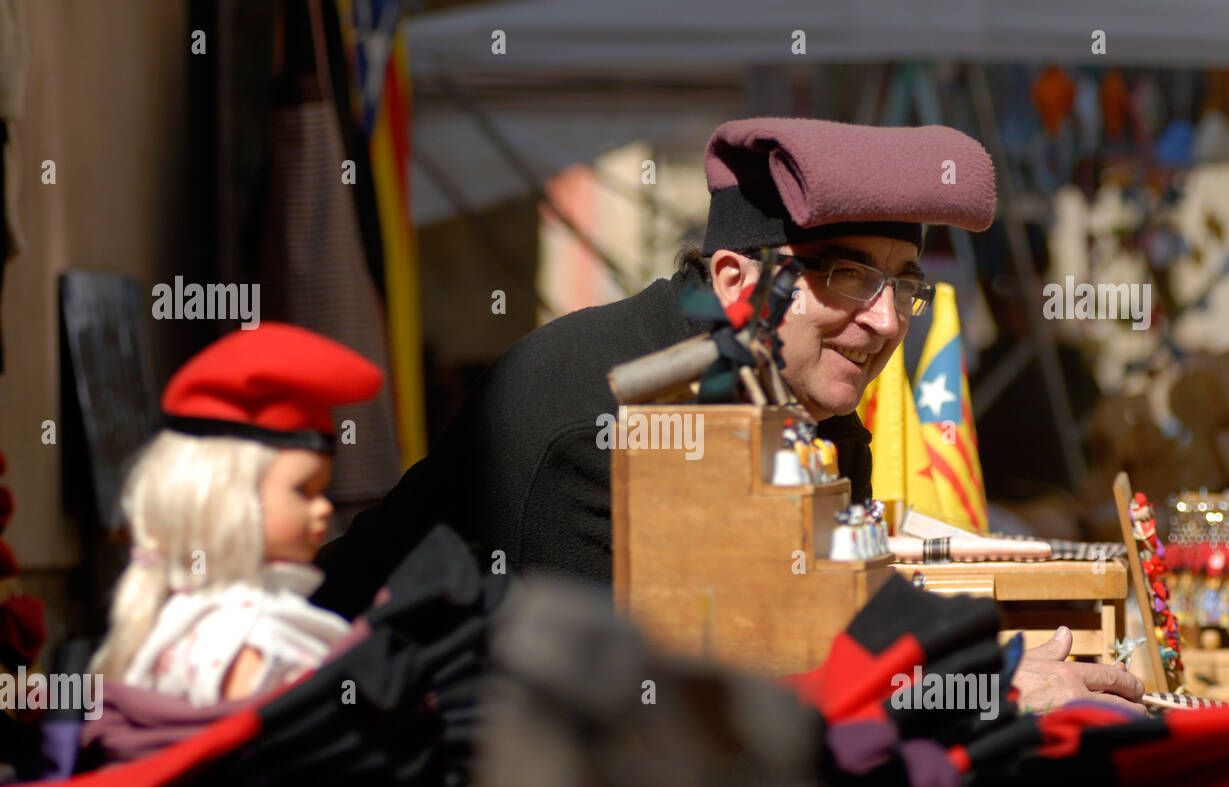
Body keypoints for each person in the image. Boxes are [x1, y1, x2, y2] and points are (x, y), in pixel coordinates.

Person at [313, 118, 1145, 715]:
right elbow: (657, 710)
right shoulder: (603, 424)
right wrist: (987, 687)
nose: (888, 322)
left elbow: (837, 622)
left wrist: (983, 665)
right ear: (735, 282)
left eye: (904, 284)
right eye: (849, 277)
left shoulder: (793, 391)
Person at [89, 323, 384, 707]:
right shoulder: (255, 644)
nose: (324, 506)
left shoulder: (177, 622)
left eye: (322, 490)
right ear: (231, 497)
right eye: (303, 491)